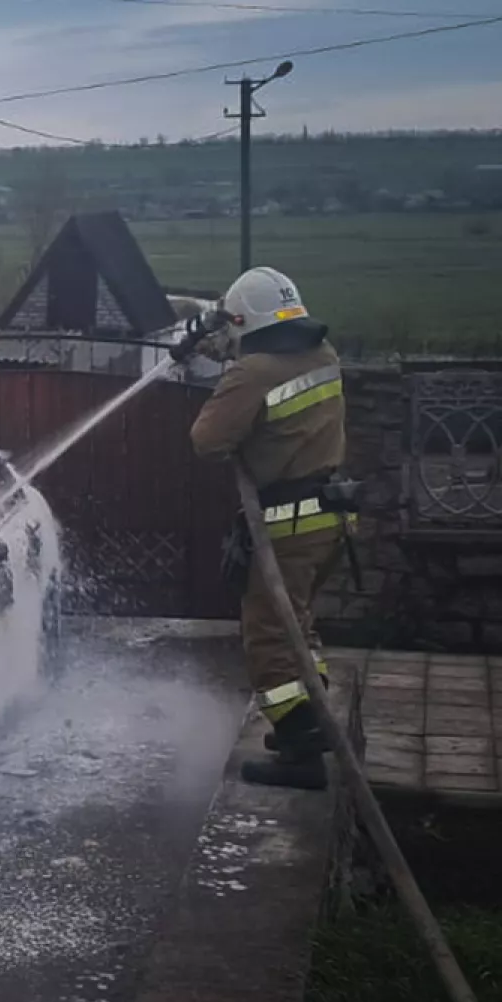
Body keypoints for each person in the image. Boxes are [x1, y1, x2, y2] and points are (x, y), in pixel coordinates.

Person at [188, 267, 356, 791]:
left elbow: (207, 441)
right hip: (331, 518)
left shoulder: (252, 373)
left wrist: (231, 374)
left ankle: (301, 751)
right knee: (298, 624)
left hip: (285, 524)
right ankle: (309, 723)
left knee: (268, 634)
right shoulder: (324, 356)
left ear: (246, 320)